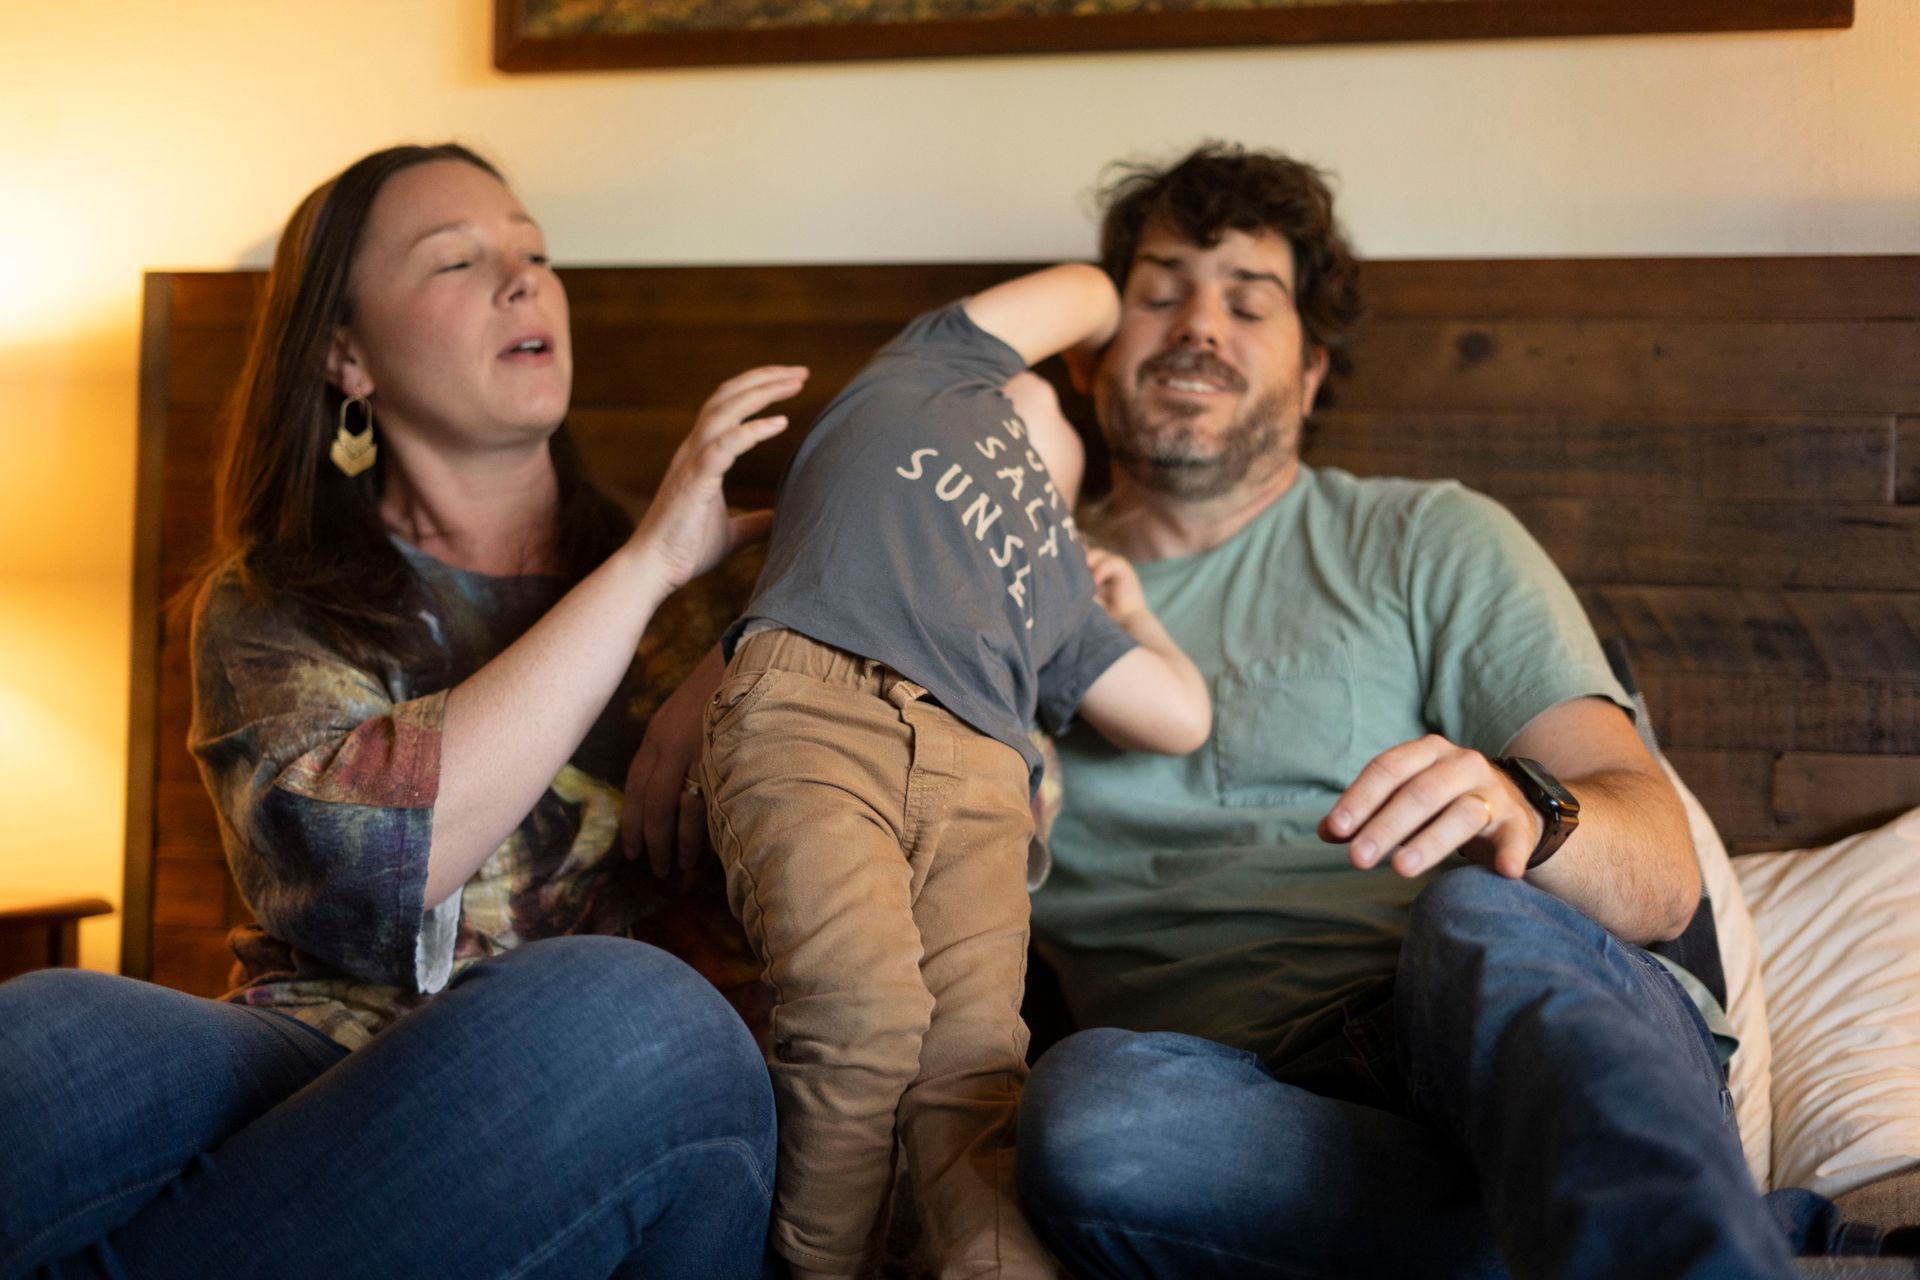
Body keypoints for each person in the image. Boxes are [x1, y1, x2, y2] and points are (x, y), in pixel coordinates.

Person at [1003, 142, 1803, 1279]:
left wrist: (1527, 811)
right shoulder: (1005, 598)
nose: (1199, 326)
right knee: (1089, 1115)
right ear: (1089, 357)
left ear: (1310, 374)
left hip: (1509, 1034)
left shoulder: (1430, 536)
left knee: (1475, 916)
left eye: (1249, 302)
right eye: (1160, 293)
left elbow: (1663, 875)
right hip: (1234, 1112)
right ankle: (1716, 1235)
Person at [0, 143, 797, 1279]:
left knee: (631, 1013)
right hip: (320, 1048)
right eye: (457, 261)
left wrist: (757, 630)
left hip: (606, 1099)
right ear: (346, 355)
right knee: (49, 1036)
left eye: (535, 254)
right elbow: (366, 870)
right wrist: (644, 571)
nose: (523, 282)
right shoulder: (272, 599)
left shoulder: (735, 592)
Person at [696, 265, 1211, 1278]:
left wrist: (1133, 609)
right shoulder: (922, 377)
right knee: (862, 1015)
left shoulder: (1059, 585)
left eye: (1061, 422)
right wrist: (1103, 333)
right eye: (1034, 385)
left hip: (984, 781)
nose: (1041, 404)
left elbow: (1182, 715)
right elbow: (1087, 288)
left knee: (976, 1072)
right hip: (819, 707)